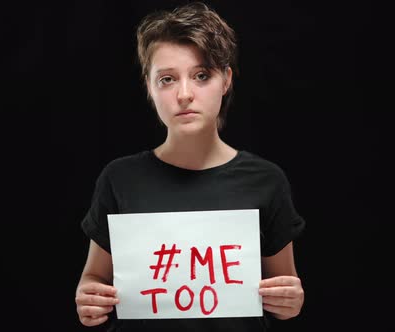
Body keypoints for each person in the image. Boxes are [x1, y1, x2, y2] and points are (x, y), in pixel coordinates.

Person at [75, 3, 305, 331]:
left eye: (201, 75)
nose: (184, 94)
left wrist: (289, 302)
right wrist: (88, 298)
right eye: (167, 79)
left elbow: (284, 292)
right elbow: (93, 279)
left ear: (225, 80)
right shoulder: (120, 179)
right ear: (150, 87)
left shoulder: (266, 181)